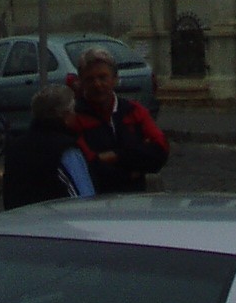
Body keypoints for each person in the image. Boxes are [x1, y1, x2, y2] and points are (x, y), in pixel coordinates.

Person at [70, 45, 169, 192]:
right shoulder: (73, 117)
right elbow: (86, 166)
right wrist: (133, 168)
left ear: (115, 79)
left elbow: (160, 150)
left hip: (135, 198)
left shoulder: (134, 111)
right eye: (90, 79)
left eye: (102, 77)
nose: (97, 84)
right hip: (94, 199)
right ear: (81, 82)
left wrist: (114, 156)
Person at [2, 83, 98, 207]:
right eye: (73, 111)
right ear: (65, 115)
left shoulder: (15, 147)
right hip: (59, 217)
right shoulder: (66, 150)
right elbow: (84, 197)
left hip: (20, 217)